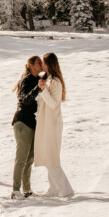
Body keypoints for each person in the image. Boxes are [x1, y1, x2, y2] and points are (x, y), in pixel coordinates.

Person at [34, 52, 74, 198]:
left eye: (43, 62)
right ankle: (54, 188)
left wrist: (43, 89)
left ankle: (65, 189)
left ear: (48, 64)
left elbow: (53, 104)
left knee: (51, 156)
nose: (42, 65)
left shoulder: (55, 82)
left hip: (52, 123)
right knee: (48, 155)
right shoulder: (49, 80)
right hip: (47, 122)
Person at [10, 55, 43, 199]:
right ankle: (15, 191)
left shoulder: (39, 80)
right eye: (38, 62)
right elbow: (25, 99)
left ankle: (27, 189)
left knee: (30, 158)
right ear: (31, 65)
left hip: (32, 122)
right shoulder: (27, 80)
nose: (41, 64)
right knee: (22, 158)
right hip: (22, 121)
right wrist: (38, 88)